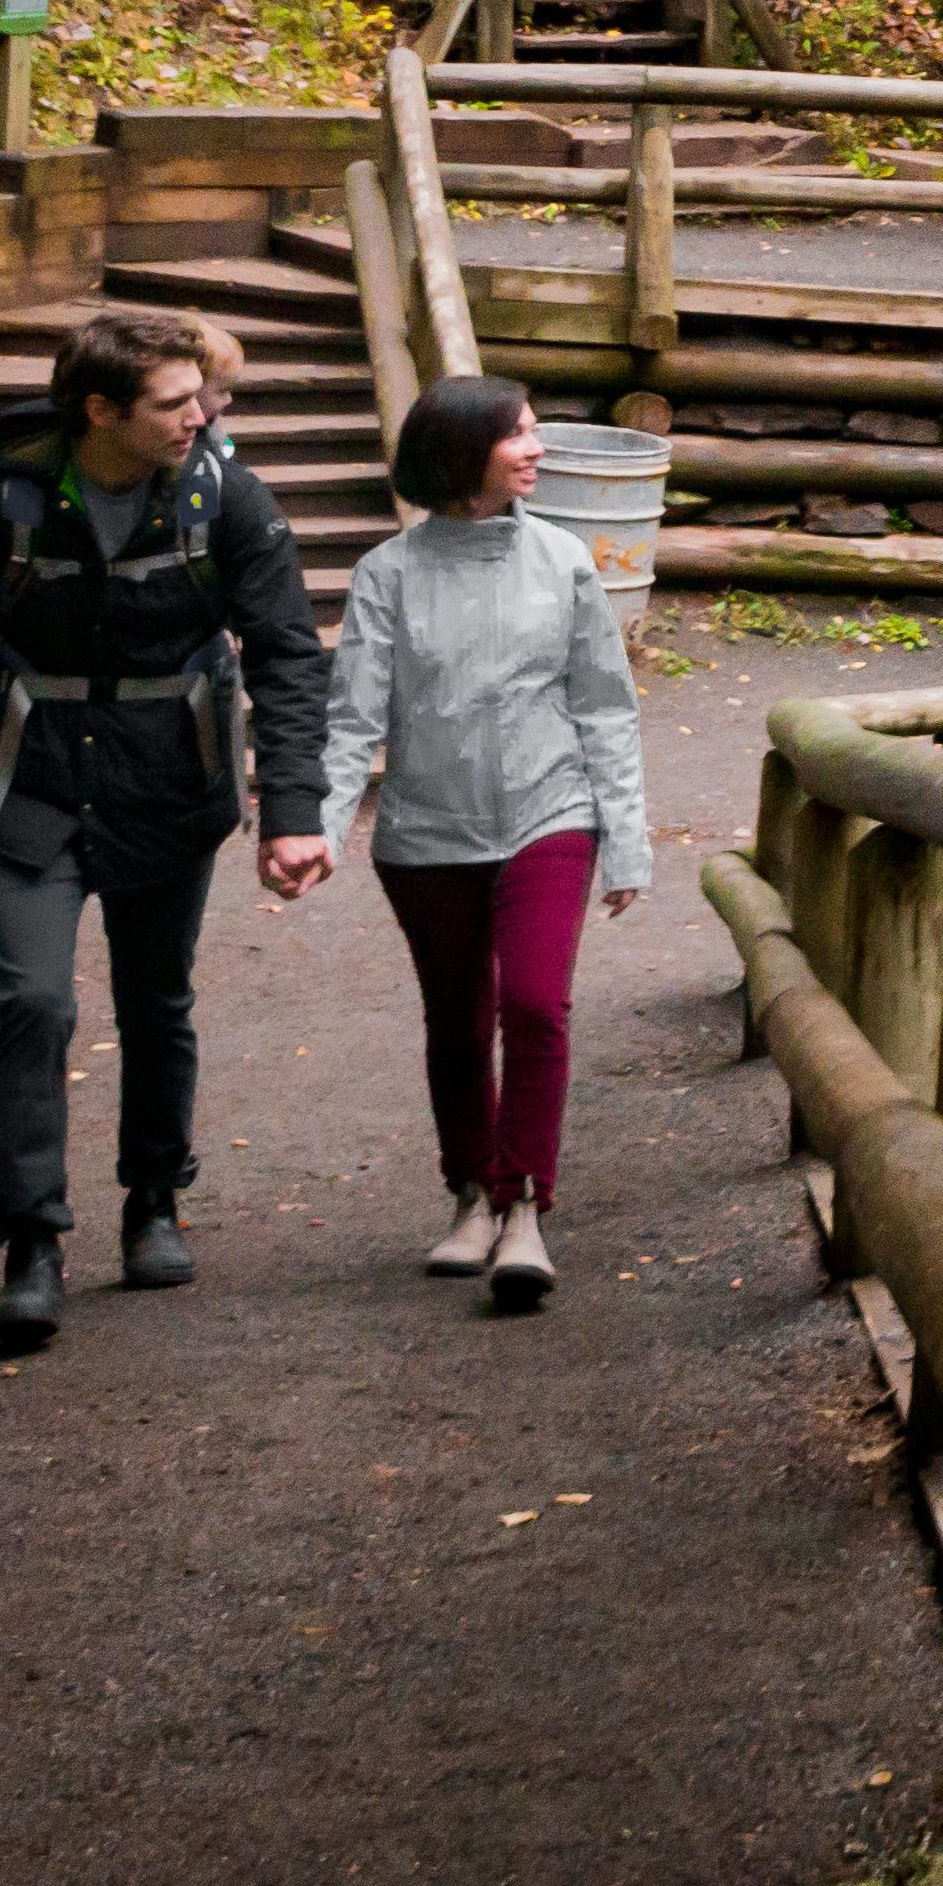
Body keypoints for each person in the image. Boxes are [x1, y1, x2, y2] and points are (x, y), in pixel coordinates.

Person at [0, 307, 331, 1352]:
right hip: (30, 785)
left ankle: (155, 1196)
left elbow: (289, 655)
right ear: (100, 410)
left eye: (199, 396)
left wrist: (291, 812)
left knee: (157, 999)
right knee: (34, 1001)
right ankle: (30, 1244)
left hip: (170, 783)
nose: (201, 416)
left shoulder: (228, 497)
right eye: (173, 402)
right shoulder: (2, 506)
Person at [323, 375, 651, 1311]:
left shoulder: (562, 561)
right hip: (427, 830)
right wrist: (324, 825)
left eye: (536, 431)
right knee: (458, 1022)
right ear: (464, 452)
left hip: (550, 814)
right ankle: (470, 1194)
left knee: (537, 1007)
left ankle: (525, 1212)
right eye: (520, 435)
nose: (538, 449)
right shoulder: (389, 573)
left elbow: (604, 710)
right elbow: (353, 720)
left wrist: (625, 843)